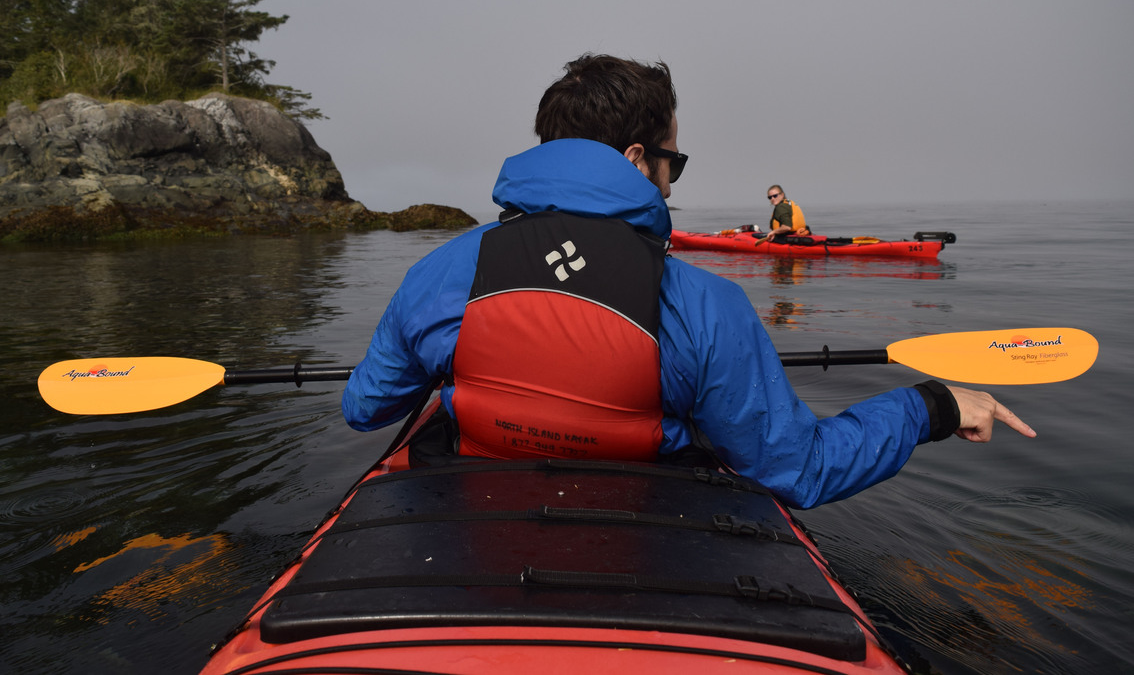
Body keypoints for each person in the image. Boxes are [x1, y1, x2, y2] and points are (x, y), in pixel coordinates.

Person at [342, 53, 1034, 509]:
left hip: (469, 522)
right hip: (645, 537)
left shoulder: (438, 273)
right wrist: (933, 408)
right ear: (640, 160)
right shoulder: (707, 306)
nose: (674, 178)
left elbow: (365, 408)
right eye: (676, 160)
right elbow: (800, 470)